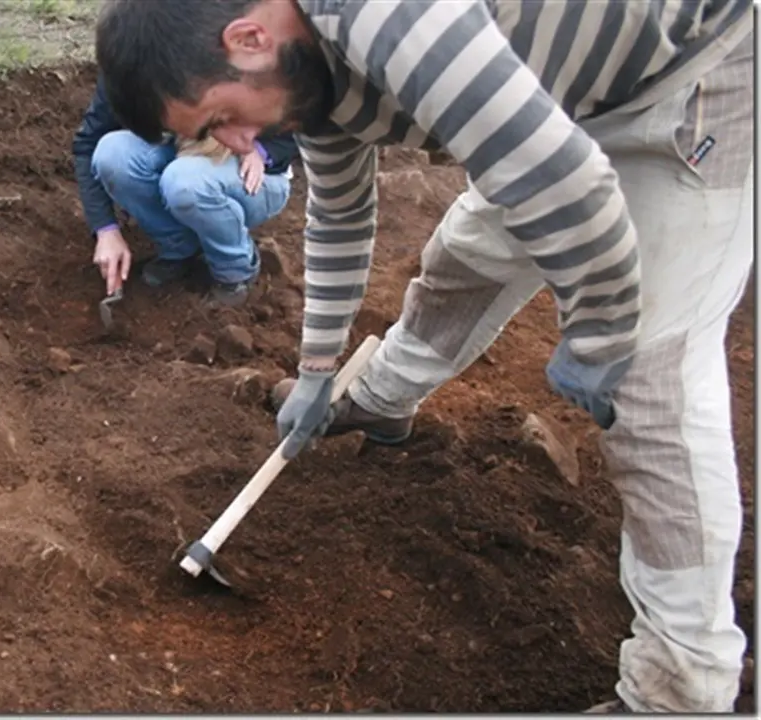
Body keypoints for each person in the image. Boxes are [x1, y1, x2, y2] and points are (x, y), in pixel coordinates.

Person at [93, 0, 754, 713]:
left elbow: (562, 176)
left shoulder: (385, 15)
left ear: (249, 38)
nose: (237, 140)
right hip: (548, 108)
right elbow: (341, 214)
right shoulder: (301, 75)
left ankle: (681, 688)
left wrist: (601, 330)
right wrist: (317, 371)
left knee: (649, 384)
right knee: (467, 258)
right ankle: (380, 398)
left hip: (685, 83)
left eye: (222, 117)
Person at [72, 74, 301, 306]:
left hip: (251, 174)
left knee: (183, 182)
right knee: (113, 154)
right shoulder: (124, 70)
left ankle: (234, 270)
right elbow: (87, 144)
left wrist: (262, 149)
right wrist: (105, 229)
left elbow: (306, 108)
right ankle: (181, 249)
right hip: (179, 151)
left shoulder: (233, 57)